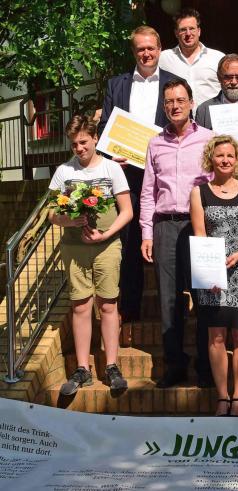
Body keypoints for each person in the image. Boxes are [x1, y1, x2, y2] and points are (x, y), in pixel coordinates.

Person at [98, 26, 179, 324]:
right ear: (134, 51)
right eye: (140, 49)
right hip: (128, 173)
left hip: (166, 175)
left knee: (170, 238)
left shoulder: (174, 83)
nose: (146, 53)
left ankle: (173, 312)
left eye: (151, 48)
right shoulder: (116, 84)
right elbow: (104, 125)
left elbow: (183, 122)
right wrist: (110, 151)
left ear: (159, 49)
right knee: (130, 242)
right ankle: (130, 310)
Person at [49, 115, 133, 395]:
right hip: (74, 248)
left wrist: (107, 235)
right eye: (74, 144)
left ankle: (111, 366)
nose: (79, 148)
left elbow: (127, 211)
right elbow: (51, 214)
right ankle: (83, 368)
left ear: (95, 138)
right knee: (81, 306)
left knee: (108, 305)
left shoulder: (112, 168)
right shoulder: (63, 171)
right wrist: (67, 221)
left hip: (107, 246)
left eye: (83, 142)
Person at [140, 79, 214, 389]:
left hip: (199, 225)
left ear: (191, 102)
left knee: (204, 295)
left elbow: (217, 182)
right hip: (165, 225)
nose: (175, 105)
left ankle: (207, 365)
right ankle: (175, 364)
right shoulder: (155, 143)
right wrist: (147, 233)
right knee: (169, 299)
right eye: (169, 101)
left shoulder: (209, 139)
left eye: (180, 99)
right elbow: (147, 191)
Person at [190, 136, 238, 416]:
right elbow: (199, 233)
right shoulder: (200, 192)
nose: (224, 160)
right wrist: (208, 270)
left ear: (237, 159)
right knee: (216, 336)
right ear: (211, 158)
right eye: (219, 155)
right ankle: (222, 397)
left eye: (229, 156)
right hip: (212, 273)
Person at [158, 8, 224, 116]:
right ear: (176, 33)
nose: (188, 33)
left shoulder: (218, 58)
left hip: (212, 122)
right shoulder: (164, 58)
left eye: (192, 28)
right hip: (178, 125)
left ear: (199, 31)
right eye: (183, 29)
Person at [195, 54, 238, 152]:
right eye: (228, 77)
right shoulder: (204, 110)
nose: (234, 82)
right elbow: (197, 147)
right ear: (219, 78)